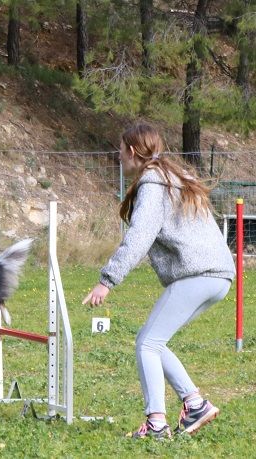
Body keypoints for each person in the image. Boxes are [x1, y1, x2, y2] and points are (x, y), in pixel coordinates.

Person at [82, 123, 235, 439]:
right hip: (219, 277)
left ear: (132, 151)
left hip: (196, 274)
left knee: (147, 344)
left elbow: (139, 237)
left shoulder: (153, 182)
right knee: (153, 340)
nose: (118, 154)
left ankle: (156, 424)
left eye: (121, 149)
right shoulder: (176, 178)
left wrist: (107, 281)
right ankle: (195, 403)